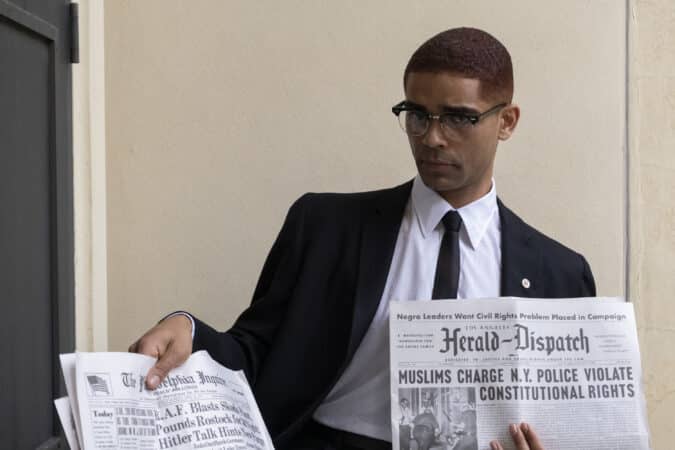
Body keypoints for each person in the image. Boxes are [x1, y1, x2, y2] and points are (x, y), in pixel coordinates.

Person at [130, 27, 594, 450]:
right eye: (417, 114)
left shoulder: (561, 274)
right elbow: (256, 355)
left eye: (457, 119)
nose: (432, 137)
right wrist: (187, 328)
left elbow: (571, 419)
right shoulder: (325, 227)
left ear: (507, 121)